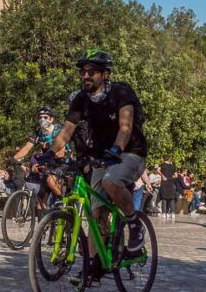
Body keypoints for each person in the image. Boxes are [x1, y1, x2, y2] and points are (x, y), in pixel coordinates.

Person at [18, 49, 148, 283]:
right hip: (100, 156)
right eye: (83, 72)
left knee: (111, 180)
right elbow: (66, 132)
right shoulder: (81, 99)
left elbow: (125, 127)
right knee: (97, 213)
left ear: (105, 74)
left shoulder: (121, 92)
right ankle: (93, 268)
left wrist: (116, 149)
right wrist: (48, 154)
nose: (85, 76)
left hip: (130, 152)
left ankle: (134, 224)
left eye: (91, 72)